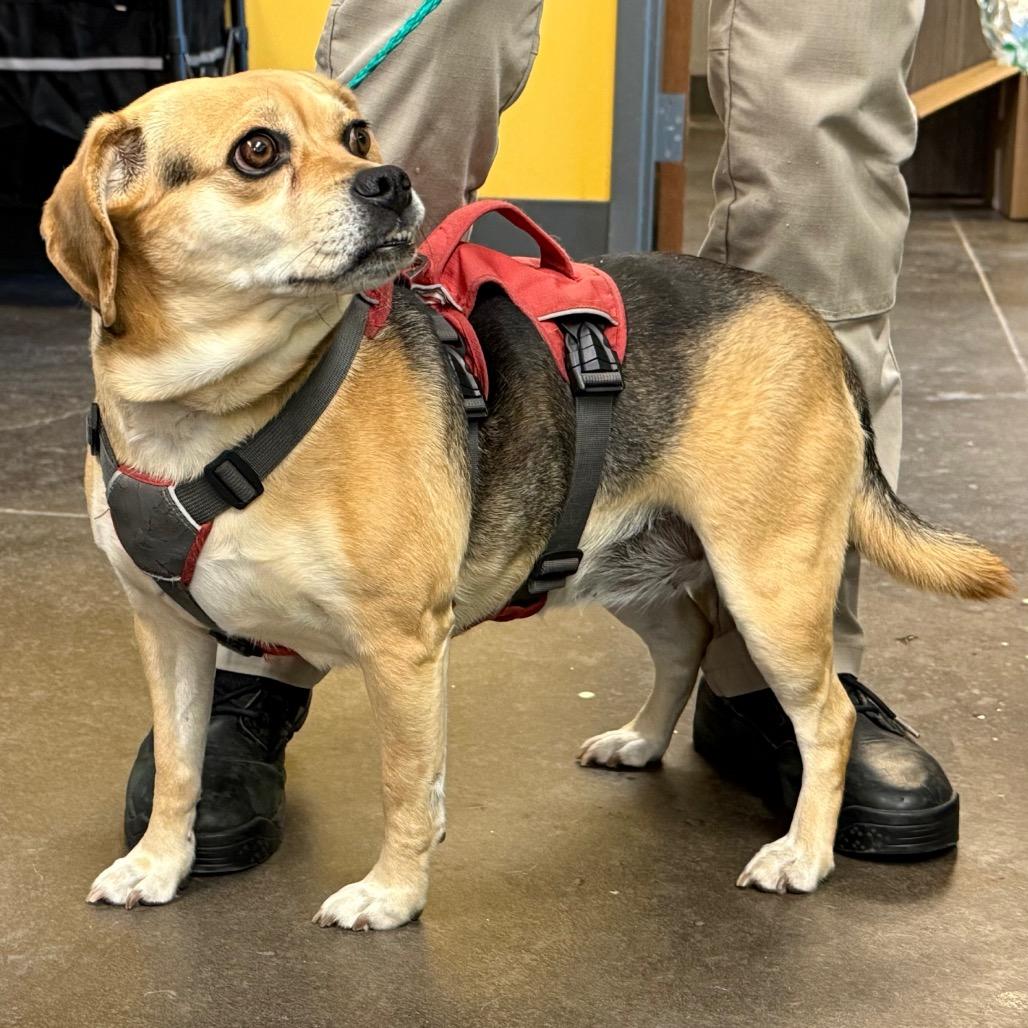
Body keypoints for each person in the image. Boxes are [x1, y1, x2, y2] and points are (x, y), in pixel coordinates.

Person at [125, 0, 957, 872]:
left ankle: (777, 682)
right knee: (438, 35)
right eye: (260, 156)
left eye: (354, 145)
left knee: (824, 111)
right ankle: (255, 664)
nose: (361, 169)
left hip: (737, 386)